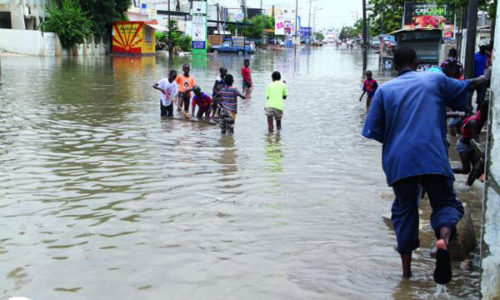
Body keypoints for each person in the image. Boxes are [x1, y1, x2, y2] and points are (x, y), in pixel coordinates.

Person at [362, 47, 487, 284]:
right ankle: (443, 239)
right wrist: (483, 78)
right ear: (417, 62)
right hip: (434, 157)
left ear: (395, 65)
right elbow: (464, 87)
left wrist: (396, 139)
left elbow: (374, 130)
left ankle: (407, 275)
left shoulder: (384, 91)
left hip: (401, 162)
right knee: (445, 204)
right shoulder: (435, 79)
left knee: (404, 211)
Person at [453, 100, 489, 175]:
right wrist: (484, 153)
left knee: (477, 169)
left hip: (470, 144)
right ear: (486, 111)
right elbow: (475, 140)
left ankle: (468, 185)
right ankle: (447, 172)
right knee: (466, 170)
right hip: (463, 145)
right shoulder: (474, 122)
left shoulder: (481, 116)